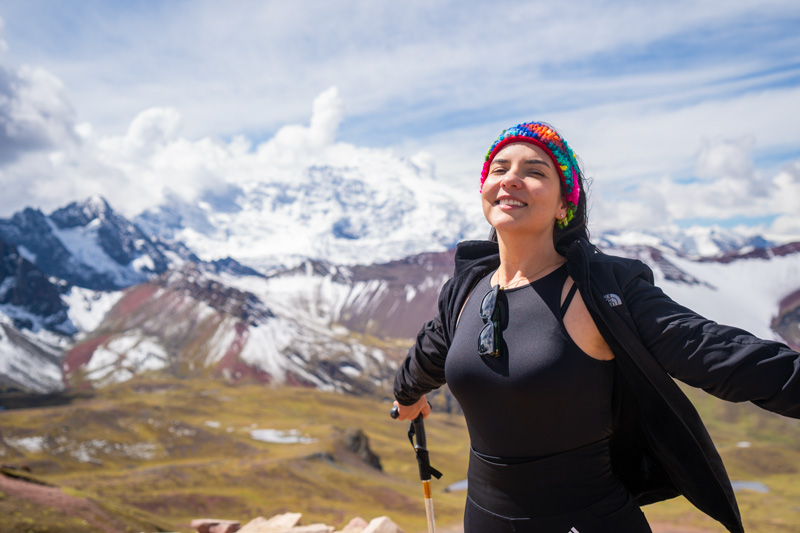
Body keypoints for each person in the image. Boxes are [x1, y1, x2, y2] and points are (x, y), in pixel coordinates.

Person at [392, 121, 800, 533]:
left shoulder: (601, 291)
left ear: (563, 205)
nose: (511, 179)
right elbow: (431, 351)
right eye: (499, 169)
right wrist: (407, 395)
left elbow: (717, 352)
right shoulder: (466, 288)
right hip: (482, 519)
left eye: (534, 172)